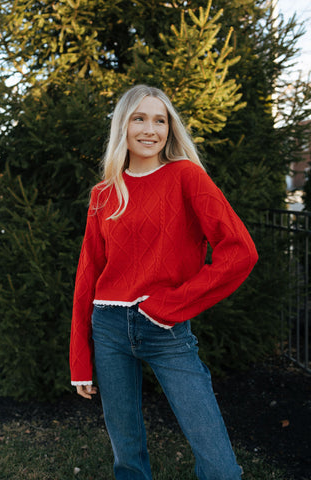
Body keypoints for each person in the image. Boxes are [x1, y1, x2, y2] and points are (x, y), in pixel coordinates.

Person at [70, 84, 258, 480]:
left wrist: (170, 307)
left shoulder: (187, 176)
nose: (150, 129)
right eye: (139, 118)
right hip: (108, 328)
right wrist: (79, 361)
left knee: (219, 464)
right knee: (127, 458)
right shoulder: (104, 194)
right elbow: (88, 275)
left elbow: (240, 251)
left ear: (170, 129)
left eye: (160, 120)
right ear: (123, 125)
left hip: (165, 328)